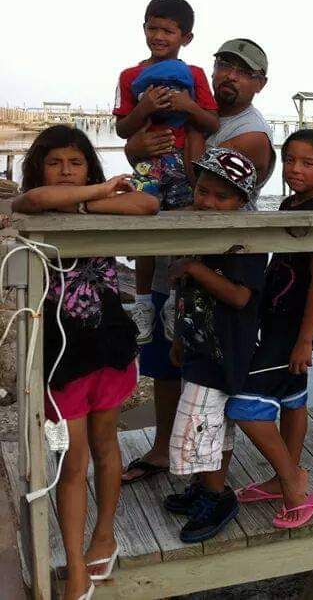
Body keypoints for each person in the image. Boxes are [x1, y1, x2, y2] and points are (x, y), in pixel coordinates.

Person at [12, 125, 159, 600]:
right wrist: (93, 191)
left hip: (110, 345)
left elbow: (148, 205)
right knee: (73, 460)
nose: (66, 171)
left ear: (88, 165)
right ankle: (75, 564)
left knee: (106, 444)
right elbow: (30, 202)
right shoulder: (35, 201)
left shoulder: (86, 200)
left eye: (76, 163)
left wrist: (80, 200)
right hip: (61, 353)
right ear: (39, 168)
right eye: (55, 164)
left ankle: (105, 532)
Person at [121, 38, 274, 484]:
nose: (230, 75)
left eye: (242, 71)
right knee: (163, 362)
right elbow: (134, 152)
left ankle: (211, 482)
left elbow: (195, 180)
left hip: (218, 269)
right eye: (224, 64)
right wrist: (143, 142)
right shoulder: (186, 108)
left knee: (207, 372)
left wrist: (189, 119)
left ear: (260, 84)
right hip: (173, 258)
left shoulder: (251, 133)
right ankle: (164, 449)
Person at [224, 130, 313, 528]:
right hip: (276, 315)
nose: (295, 169)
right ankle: (280, 477)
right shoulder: (291, 203)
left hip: (296, 326)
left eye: (308, 163)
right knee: (292, 395)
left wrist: (306, 339)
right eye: (289, 160)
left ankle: (293, 484)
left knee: (243, 404)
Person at [161, 148, 267, 543]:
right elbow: (187, 294)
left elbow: (240, 297)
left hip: (226, 350)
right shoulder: (198, 232)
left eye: (222, 197)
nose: (209, 202)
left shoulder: (245, 241)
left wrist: (194, 268)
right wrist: (178, 340)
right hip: (197, 344)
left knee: (203, 424)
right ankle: (206, 488)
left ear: (242, 202)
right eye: (203, 191)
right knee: (211, 425)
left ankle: (217, 496)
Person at [113, 0, 219, 346]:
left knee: (182, 227)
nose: (159, 36)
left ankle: (176, 298)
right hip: (148, 160)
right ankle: (143, 302)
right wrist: (144, 109)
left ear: (185, 37)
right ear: (143, 29)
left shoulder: (195, 75)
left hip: (182, 162)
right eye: (152, 28)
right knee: (144, 229)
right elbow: (123, 129)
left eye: (168, 31)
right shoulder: (130, 76)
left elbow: (211, 121)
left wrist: (188, 105)